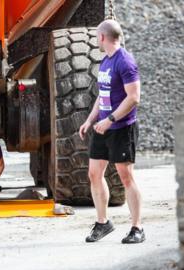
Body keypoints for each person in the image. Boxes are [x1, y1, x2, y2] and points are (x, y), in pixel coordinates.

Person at [79, 19, 144, 243]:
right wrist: (90, 120)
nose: (97, 39)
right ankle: (103, 222)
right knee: (94, 174)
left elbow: (134, 97)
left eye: (97, 36)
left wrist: (110, 119)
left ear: (103, 38)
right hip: (102, 127)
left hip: (121, 127)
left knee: (126, 177)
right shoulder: (105, 61)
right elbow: (102, 94)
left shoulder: (124, 61)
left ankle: (137, 228)